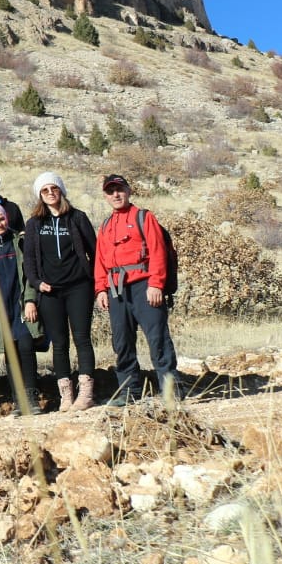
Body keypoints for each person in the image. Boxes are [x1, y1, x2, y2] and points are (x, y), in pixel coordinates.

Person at [93, 174, 177, 406]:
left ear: (129, 191)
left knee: (158, 339)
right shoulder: (105, 226)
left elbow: (158, 252)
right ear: (105, 196)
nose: (116, 195)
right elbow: (100, 261)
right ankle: (129, 391)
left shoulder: (144, 217)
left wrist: (156, 284)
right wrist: (101, 289)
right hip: (117, 290)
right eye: (110, 191)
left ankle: (171, 390)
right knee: (122, 343)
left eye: (119, 189)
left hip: (144, 286)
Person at [25, 173, 98, 412]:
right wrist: (37, 283)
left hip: (78, 287)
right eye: (44, 190)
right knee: (59, 343)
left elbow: (95, 251)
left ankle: (86, 393)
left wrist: (94, 280)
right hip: (50, 292)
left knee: (82, 338)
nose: (50, 193)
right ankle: (66, 395)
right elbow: (29, 260)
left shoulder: (77, 218)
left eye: (53, 188)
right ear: (39, 195)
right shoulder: (35, 223)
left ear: (61, 190)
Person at [0, 203, 42, 415]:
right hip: (0, 309)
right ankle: (18, 400)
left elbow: (30, 273)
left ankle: (32, 397)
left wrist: (31, 300)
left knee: (26, 346)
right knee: (10, 353)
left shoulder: (20, 241)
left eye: (1, 219)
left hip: (20, 303)